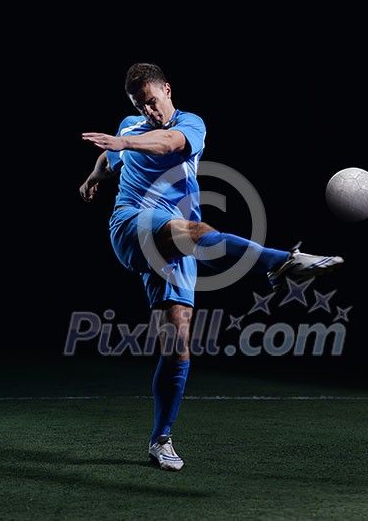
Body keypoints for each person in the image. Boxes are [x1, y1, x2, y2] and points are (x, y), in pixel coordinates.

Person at [79, 62, 344, 471]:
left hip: (171, 242)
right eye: (139, 106)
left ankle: (160, 440)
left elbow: (168, 143)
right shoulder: (128, 128)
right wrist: (93, 177)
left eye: (151, 101)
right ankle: (284, 263)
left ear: (166, 89)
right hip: (132, 225)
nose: (147, 111)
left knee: (178, 347)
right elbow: (106, 158)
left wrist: (124, 145)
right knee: (197, 229)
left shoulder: (190, 124)